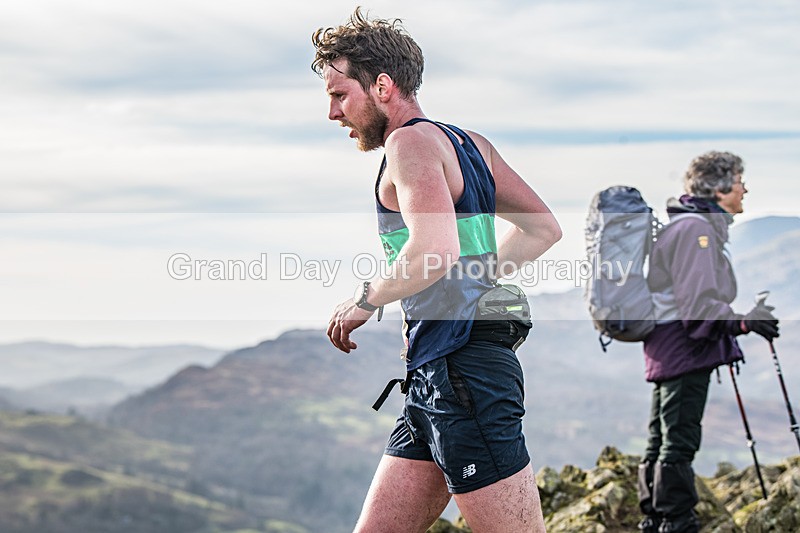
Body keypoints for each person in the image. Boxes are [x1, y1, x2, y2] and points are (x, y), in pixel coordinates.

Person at [312, 8, 561, 533]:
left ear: (382, 86)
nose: (333, 113)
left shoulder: (409, 143)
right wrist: (470, 285)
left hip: (463, 377)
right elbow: (542, 229)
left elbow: (434, 250)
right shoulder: (471, 145)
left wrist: (364, 300)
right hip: (435, 372)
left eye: (340, 95)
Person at [637, 151, 780, 533]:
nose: (744, 189)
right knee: (678, 440)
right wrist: (745, 322)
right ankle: (676, 521)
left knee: (662, 437)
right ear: (718, 189)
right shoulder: (695, 230)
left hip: (670, 348)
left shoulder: (690, 226)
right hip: (684, 349)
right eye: (739, 182)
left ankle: (655, 518)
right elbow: (698, 307)